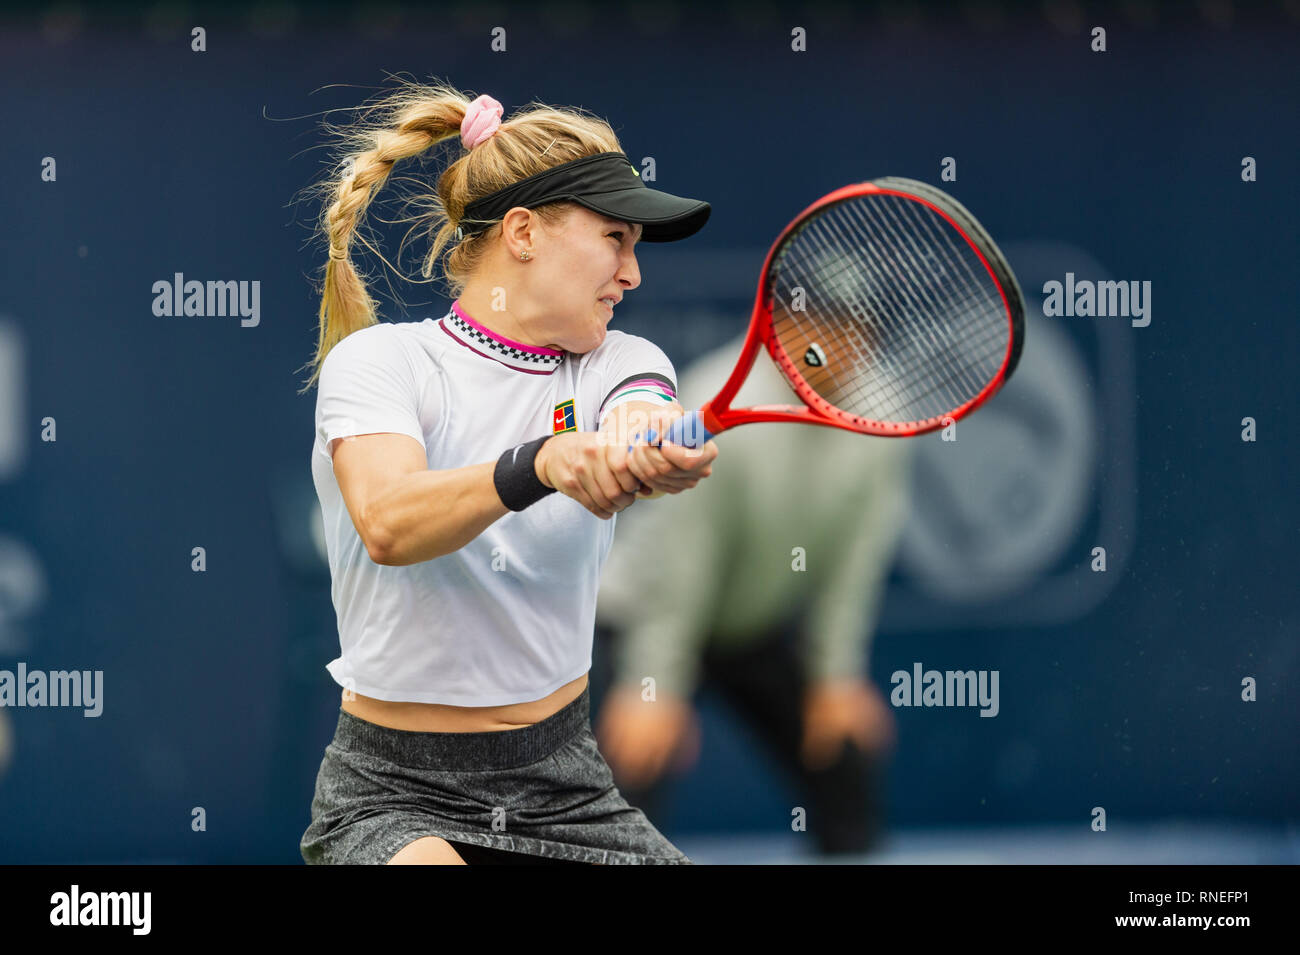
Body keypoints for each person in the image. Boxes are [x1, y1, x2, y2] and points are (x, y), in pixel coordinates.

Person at [296, 81, 718, 865]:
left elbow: (641, 413)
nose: (632, 273)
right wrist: (542, 462)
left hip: (568, 786)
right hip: (390, 793)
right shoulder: (379, 362)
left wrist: (649, 444)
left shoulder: (622, 361)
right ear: (522, 232)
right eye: (615, 238)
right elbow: (388, 521)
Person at [593, 332, 912, 856]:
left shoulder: (883, 414)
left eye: (853, 331)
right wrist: (653, 684)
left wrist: (836, 676)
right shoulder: (711, 391)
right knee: (627, 776)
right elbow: (679, 566)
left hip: (750, 626)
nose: (836, 347)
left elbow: (857, 560)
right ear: (781, 324)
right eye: (820, 325)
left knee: (843, 756)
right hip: (643, 621)